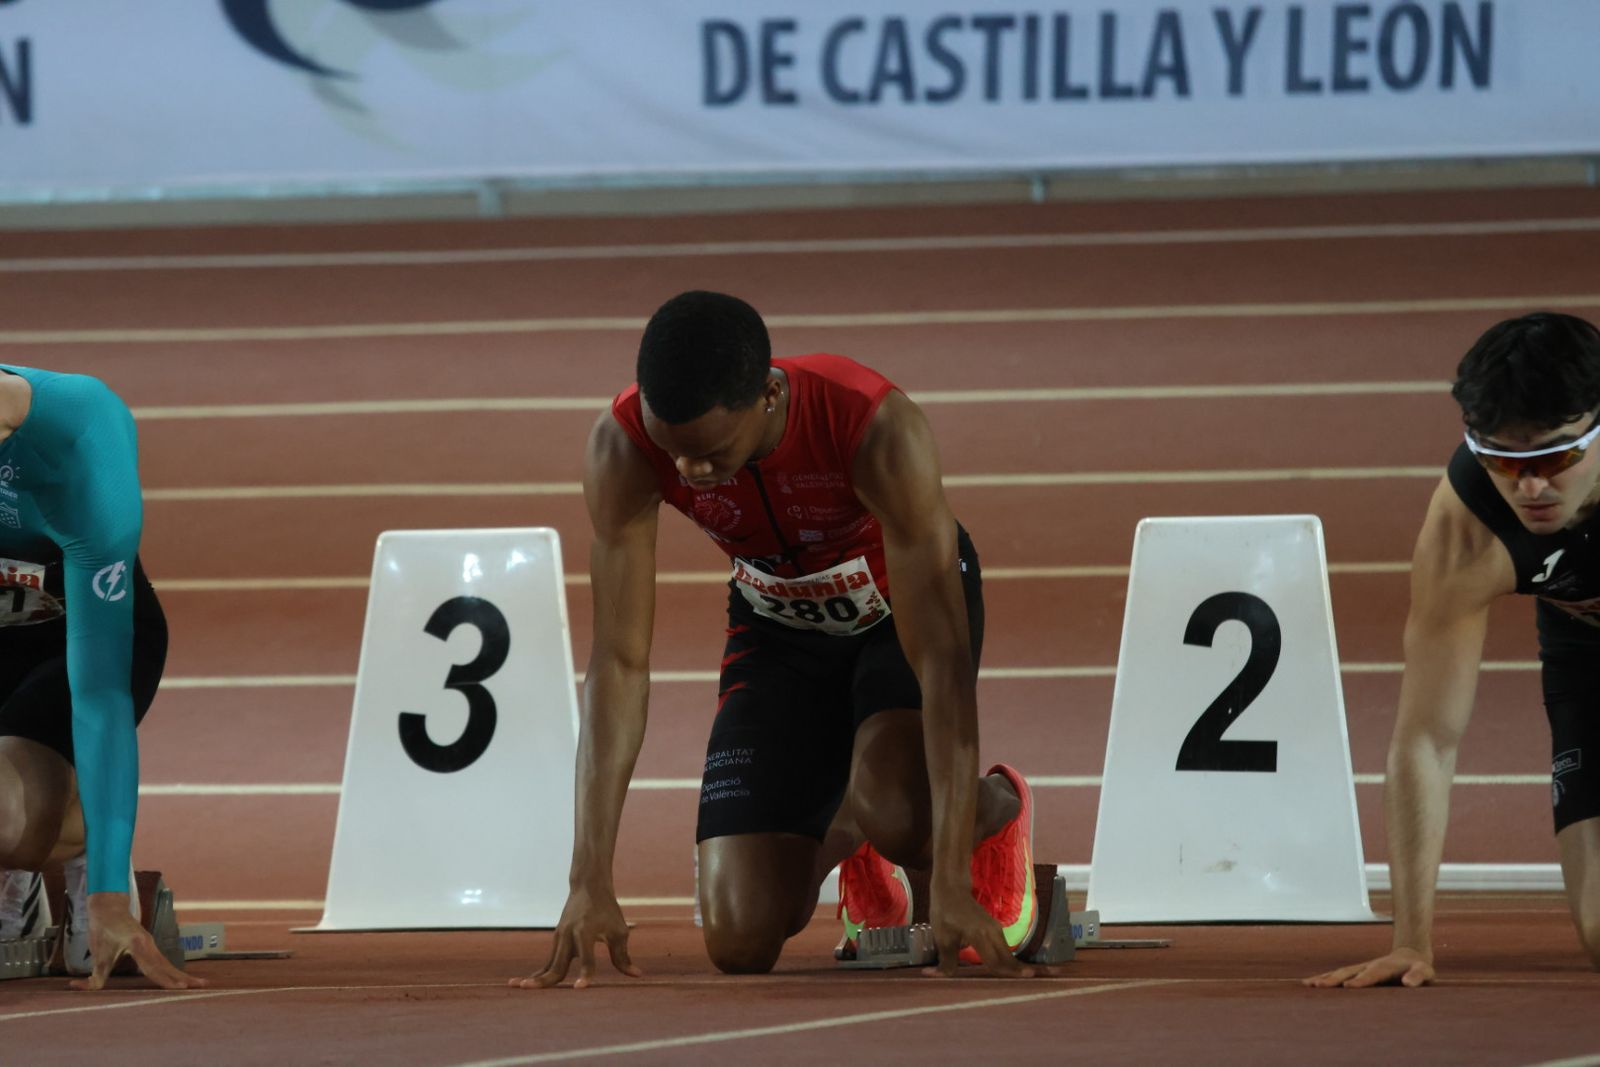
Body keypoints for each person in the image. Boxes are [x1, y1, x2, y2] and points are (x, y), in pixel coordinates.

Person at [514, 291, 1039, 988]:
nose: (689, 473)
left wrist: (948, 882)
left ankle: (995, 806)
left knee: (905, 814)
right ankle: (860, 829)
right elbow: (618, 663)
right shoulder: (623, 445)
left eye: (708, 453)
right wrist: (589, 878)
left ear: (767, 394)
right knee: (739, 937)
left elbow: (941, 661)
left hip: (897, 615)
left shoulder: (873, 426)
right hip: (777, 627)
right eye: (672, 452)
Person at [1308, 312, 1600, 989]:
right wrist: (1411, 939)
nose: (1530, 487)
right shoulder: (1467, 528)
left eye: (1556, 457)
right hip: (1585, 652)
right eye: (1502, 460)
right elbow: (1427, 741)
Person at [0, 364, 202, 991]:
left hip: (75, 642)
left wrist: (111, 895)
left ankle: (78, 850)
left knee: (8, 822)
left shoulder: (85, 443)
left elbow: (99, 696)